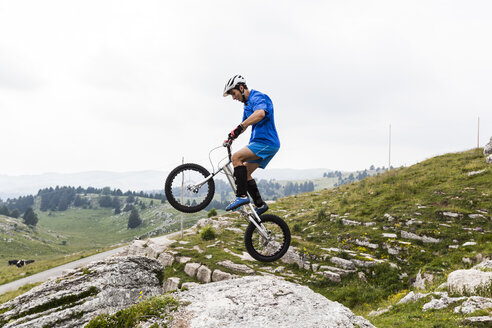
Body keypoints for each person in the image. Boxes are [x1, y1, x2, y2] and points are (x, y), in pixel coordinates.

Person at [222, 75, 280, 215]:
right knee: (245, 173)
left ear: (241, 88)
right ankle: (260, 205)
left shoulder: (258, 97)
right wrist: (232, 137)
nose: (233, 98)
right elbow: (244, 126)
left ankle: (241, 196)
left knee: (236, 158)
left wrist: (240, 126)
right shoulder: (247, 105)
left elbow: (260, 114)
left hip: (266, 142)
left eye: (234, 94)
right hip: (260, 143)